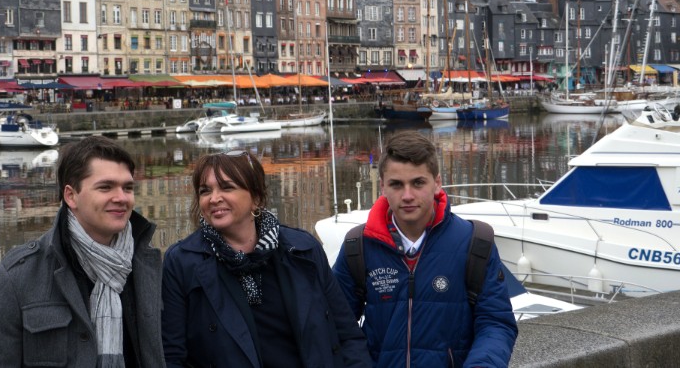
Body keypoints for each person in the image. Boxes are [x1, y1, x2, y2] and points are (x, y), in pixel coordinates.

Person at [162, 150, 371, 367]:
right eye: (205, 191)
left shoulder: (303, 249)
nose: (214, 199)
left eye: (227, 187)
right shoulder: (182, 263)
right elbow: (172, 355)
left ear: (256, 198)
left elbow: (347, 335)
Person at [332, 131, 518, 367]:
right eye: (396, 184)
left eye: (418, 183)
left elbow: (495, 323)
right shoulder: (357, 246)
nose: (407, 195)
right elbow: (338, 327)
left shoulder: (475, 243)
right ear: (382, 187)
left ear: (437, 183)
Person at [0, 135, 163, 367]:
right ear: (71, 196)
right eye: (105, 187)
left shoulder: (149, 267)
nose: (121, 198)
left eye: (128, 188)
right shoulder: (17, 276)